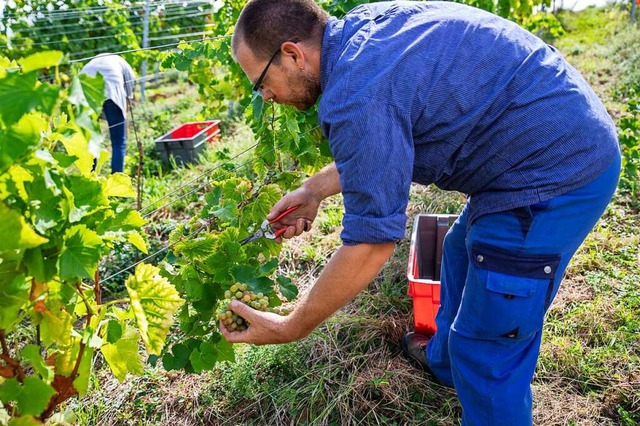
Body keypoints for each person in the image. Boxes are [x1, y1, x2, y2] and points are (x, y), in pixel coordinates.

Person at [221, 1, 621, 424]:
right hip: (549, 135)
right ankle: (448, 364)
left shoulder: (355, 94)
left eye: (260, 82)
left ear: (293, 54)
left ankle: (475, 371)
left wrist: (292, 327)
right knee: (460, 250)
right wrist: (314, 189)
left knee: (488, 352)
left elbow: (371, 244)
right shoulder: (362, 33)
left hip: (555, 173)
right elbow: (384, 138)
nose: (263, 96)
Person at [81, 54, 136, 173]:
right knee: (118, 142)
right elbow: (127, 98)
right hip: (112, 91)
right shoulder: (127, 69)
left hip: (85, 90)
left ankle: (90, 177)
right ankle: (116, 182)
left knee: (91, 140)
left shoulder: (95, 61)